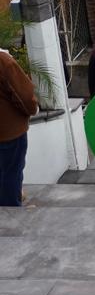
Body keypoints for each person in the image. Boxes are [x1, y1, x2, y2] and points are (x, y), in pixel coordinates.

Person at [0, 51, 37, 206]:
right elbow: (25, 97)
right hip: (8, 132)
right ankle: (10, 215)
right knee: (10, 175)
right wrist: (32, 109)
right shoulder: (3, 61)